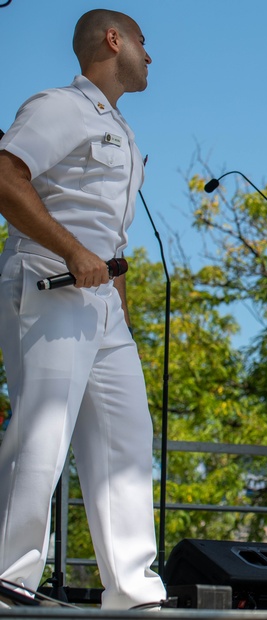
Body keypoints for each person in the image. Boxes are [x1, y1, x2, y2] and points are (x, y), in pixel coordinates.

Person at [0, 9, 165, 609]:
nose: (151, 56)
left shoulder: (121, 128)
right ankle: (10, 574)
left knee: (127, 436)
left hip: (102, 301)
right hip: (50, 279)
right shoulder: (59, 107)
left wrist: (114, 298)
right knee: (43, 428)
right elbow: (6, 175)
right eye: (144, 43)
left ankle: (132, 588)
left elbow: (108, 233)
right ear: (113, 40)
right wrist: (71, 249)